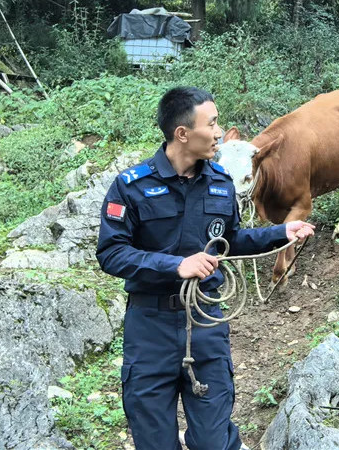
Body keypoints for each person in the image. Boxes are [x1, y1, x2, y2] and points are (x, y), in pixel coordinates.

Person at [96, 86, 315, 450]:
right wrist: (176, 265)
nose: (219, 132)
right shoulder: (131, 187)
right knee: (154, 441)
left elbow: (230, 242)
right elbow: (112, 253)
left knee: (213, 440)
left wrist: (280, 233)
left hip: (206, 323)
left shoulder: (219, 183)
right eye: (212, 124)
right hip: (149, 328)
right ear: (182, 133)